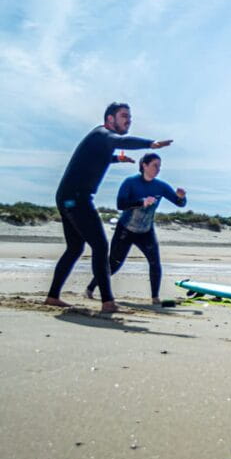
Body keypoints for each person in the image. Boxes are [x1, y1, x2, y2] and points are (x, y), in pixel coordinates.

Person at [46, 102, 172, 313]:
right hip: (76, 199)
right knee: (101, 247)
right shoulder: (103, 134)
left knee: (75, 248)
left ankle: (52, 296)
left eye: (130, 117)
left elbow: (96, 158)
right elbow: (121, 140)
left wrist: (116, 159)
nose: (128, 120)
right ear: (110, 119)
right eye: (124, 116)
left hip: (67, 197)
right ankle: (108, 302)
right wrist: (152, 144)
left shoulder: (101, 142)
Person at [85, 153, 186, 305]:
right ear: (144, 165)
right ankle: (90, 288)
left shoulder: (161, 186)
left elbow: (179, 204)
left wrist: (181, 197)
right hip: (125, 230)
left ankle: (155, 298)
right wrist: (141, 202)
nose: (158, 169)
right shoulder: (130, 182)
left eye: (159, 166)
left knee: (155, 263)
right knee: (114, 263)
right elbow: (120, 204)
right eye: (155, 165)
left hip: (146, 231)